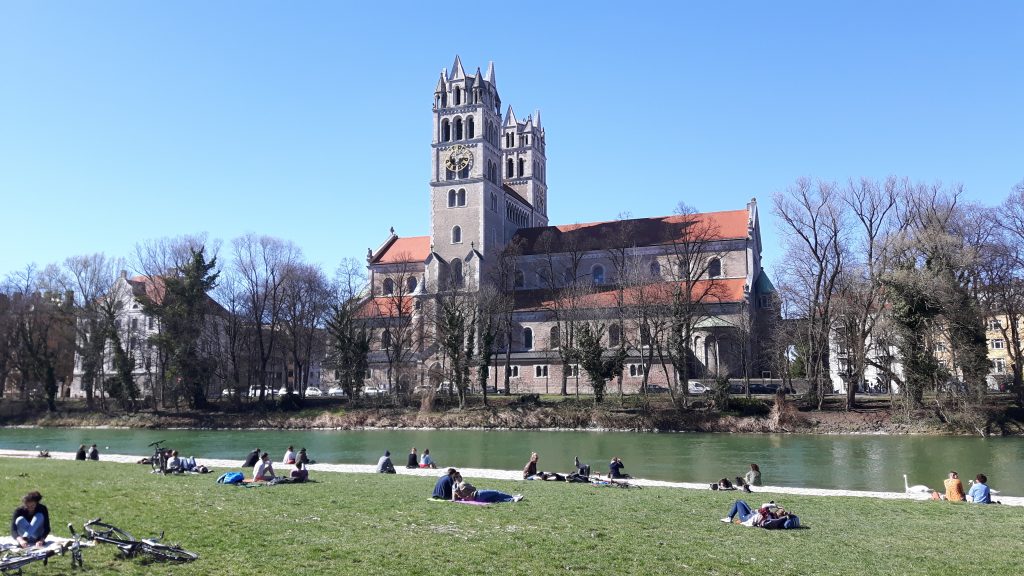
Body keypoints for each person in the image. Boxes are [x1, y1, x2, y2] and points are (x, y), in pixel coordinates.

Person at [452, 477, 523, 503]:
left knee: (495, 498)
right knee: (496, 493)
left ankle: (513, 499)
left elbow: (456, 498)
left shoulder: (457, 491)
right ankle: (512, 497)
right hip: (478, 494)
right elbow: (474, 489)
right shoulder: (462, 485)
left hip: (477, 498)